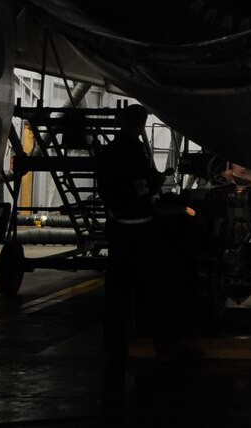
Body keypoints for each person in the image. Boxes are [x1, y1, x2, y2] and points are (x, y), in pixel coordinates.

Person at [96, 104, 163, 355]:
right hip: (140, 227)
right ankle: (143, 336)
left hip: (117, 225)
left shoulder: (109, 151)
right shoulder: (136, 150)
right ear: (140, 124)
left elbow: (104, 187)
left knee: (116, 288)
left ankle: (113, 338)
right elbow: (146, 182)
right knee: (143, 287)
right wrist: (156, 183)